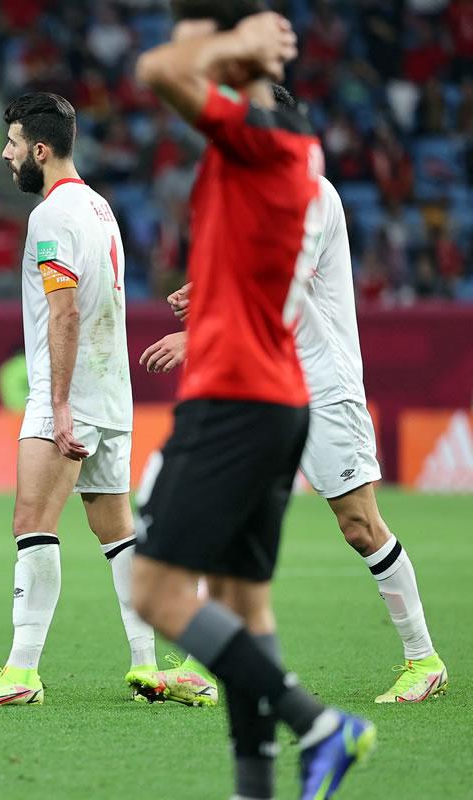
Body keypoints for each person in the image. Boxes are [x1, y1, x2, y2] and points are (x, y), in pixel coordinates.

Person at [130, 5, 373, 800]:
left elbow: (159, 70)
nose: (195, 56)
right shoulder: (290, 151)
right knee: (244, 608)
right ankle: (255, 788)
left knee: (156, 593)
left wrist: (240, 45)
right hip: (276, 398)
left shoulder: (259, 141)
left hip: (234, 399)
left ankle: (316, 722)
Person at [141, 85, 447, 706]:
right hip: (267, 386)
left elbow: (276, 283)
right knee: (223, 513)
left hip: (322, 382)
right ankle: (201, 663)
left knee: (360, 525)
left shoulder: (311, 193)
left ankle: (424, 659)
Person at [0, 92, 214, 708]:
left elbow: (64, 313)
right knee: (115, 530)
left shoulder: (51, 217)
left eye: (13, 144)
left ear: (39, 150)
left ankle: (20, 671)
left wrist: (60, 405)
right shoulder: (99, 207)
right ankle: (148, 664)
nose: (9, 155)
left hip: (68, 394)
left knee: (31, 523)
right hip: (112, 394)